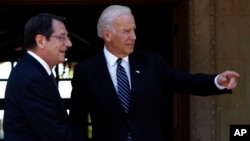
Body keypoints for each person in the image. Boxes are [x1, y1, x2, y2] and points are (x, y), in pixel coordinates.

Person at [69, 5, 240, 141]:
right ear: (107, 34)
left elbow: (184, 81)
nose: (134, 37)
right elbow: (78, 121)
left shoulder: (151, 62)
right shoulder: (86, 71)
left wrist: (217, 81)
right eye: (126, 31)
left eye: (134, 30)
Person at [3, 13, 73, 141]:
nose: (69, 43)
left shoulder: (32, 71)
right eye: (62, 37)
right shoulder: (33, 78)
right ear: (40, 41)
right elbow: (53, 134)